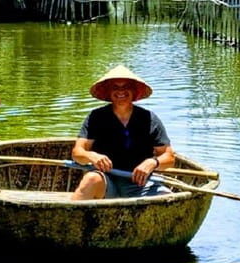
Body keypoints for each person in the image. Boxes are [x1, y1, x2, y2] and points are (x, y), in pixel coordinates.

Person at [70, 65, 176, 200]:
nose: (121, 91)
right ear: (109, 92)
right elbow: (77, 153)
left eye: (126, 87)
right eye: (115, 87)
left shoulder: (149, 118)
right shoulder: (96, 117)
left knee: (168, 199)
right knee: (91, 178)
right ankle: (66, 219)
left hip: (139, 182)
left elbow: (169, 158)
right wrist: (91, 155)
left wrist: (152, 162)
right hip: (106, 180)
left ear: (134, 91)